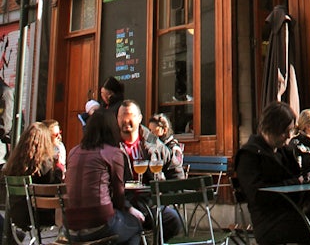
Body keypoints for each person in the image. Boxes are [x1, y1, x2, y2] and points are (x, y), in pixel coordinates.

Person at [234, 102, 310, 245]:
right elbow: (257, 195)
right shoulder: (249, 155)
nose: (289, 135)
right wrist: (297, 182)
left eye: (291, 130)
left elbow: (299, 177)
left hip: (297, 212)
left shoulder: (283, 151)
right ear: (270, 128)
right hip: (272, 222)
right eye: (285, 131)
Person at [64, 108, 144, 245]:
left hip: (70, 227)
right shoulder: (113, 153)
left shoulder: (73, 152)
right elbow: (119, 194)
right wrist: (129, 208)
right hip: (100, 222)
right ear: (113, 128)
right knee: (135, 226)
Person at [117, 100, 183, 239]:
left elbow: (175, 170)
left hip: (150, 203)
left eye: (130, 116)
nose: (125, 120)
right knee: (127, 228)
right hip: (121, 205)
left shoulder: (153, 142)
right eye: (122, 116)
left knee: (173, 220)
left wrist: (167, 198)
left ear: (140, 118)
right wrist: (126, 206)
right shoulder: (112, 145)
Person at [3, 121, 62, 230]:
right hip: (40, 216)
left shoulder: (14, 164)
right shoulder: (47, 166)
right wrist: (59, 167)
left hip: (18, 215)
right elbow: (57, 190)